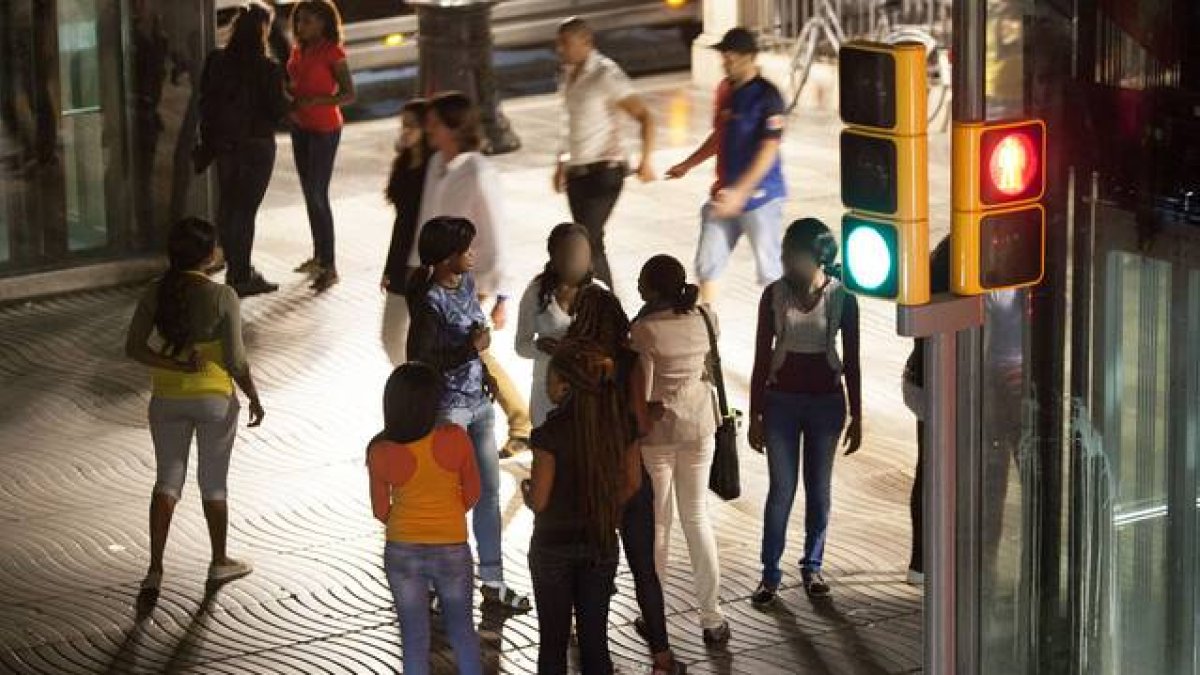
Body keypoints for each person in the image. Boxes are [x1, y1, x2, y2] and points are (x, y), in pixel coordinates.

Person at [124, 217, 265, 593]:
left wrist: (175, 364)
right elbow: (236, 360)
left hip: (167, 398)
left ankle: (154, 568)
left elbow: (134, 347)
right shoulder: (223, 296)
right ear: (207, 255)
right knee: (213, 483)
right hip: (214, 399)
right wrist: (253, 395)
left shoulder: (156, 291)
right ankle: (219, 562)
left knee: (167, 481)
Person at [405, 216, 532, 612]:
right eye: (466, 250)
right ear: (446, 259)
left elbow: (474, 344)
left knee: (489, 494)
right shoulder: (428, 301)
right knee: (446, 499)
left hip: (478, 406)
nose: (473, 255)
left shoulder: (468, 285)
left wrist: (486, 376)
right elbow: (420, 359)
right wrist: (470, 350)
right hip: (449, 413)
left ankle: (492, 582)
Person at [564, 285, 687, 675]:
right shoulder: (628, 361)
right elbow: (636, 423)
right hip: (627, 469)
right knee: (644, 571)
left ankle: (596, 659)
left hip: (586, 475)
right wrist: (650, 412)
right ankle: (662, 658)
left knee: (594, 574)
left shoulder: (571, 361)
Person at [408, 91, 532, 457]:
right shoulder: (437, 166)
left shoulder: (478, 170)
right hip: (439, 276)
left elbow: (495, 232)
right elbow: (425, 220)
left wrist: (501, 296)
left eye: (434, 123)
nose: (428, 129)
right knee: (469, 351)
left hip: (468, 278)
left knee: (471, 350)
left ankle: (520, 421)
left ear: (452, 127)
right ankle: (519, 420)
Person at [748, 218, 862, 604]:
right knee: (781, 490)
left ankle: (812, 566)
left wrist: (858, 414)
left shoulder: (842, 296)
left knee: (819, 490)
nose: (784, 260)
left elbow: (854, 360)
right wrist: (755, 415)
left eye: (791, 253)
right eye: (783, 252)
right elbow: (761, 358)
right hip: (780, 402)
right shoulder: (774, 296)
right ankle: (769, 573)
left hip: (826, 404)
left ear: (816, 257)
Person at [523, 340, 643, 674]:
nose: (546, 385)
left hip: (553, 546)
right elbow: (633, 483)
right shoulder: (620, 425)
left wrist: (528, 492)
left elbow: (542, 500)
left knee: (553, 644)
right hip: (600, 541)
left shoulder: (549, 434)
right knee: (595, 641)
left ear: (563, 385)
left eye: (549, 378)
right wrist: (601, 504)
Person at [630, 255, 730, 645]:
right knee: (697, 518)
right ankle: (712, 616)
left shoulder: (645, 329)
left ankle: (652, 614)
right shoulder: (706, 318)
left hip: (658, 433)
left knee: (658, 524)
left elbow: (646, 387)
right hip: (700, 425)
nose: (637, 287)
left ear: (654, 288)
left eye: (642, 281)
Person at [367, 362, 483, 675]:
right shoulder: (455, 438)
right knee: (462, 631)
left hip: (402, 550)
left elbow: (380, 510)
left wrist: (406, 522)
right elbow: (473, 493)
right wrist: (445, 516)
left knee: (414, 637)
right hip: (451, 548)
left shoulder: (380, 450)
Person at [665, 27, 786, 305]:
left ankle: (783, 331)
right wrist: (688, 164)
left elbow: (768, 150)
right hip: (724, 196)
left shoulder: (768, 97)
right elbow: (720, 135)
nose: (725, 62)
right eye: (724, 57)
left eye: (731, 58)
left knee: (770, 272)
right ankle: (706, 333)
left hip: (761, 198)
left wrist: (741, 193)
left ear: (749, 58)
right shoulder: (726, 91)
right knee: (707, 265)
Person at [552, 17, 656, 289]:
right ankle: (599, 304)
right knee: (591, 241)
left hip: (605, 171)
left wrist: (646, 160)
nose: (560, 50)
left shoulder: (605, 74)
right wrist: (561, 162)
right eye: (559, 44)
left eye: (566, 43)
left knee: (585, 240)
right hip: (577, 172)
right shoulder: (568, 74)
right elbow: (569, 123)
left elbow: (644, 116)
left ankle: (604, 305)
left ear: (586, 42)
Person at [197, 1, 288, 298]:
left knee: (229, 206)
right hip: (256, 147)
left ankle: (238, 269)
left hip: (225, 146)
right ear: (264, 29)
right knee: (246, 211)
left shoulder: (217, 60)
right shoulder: (268, 68)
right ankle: (240, 274)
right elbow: (277, 111)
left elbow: (206, 102)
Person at [288, 0, 355, 293]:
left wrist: (317, 101)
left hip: (325, 128)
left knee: (317, 193)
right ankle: (318, 257)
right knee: (308, 193)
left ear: (324, 23)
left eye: (309, 21)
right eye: (300, 21)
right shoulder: (298, 50)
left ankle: (330, 265)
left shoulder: (333, 52)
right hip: (300, 126)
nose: (302, 27)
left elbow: (349, 94)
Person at [514, 223, 595, 428]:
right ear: (553, 255)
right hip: (546, 389)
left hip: (586, 388)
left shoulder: (598, 293)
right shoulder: (536, 294)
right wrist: (540, 347)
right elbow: (521, 346)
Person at [381, 98, 432, 366]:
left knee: (420, 338)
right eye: (403, 125)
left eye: (412, 125)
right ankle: (410, 382)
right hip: (402, 261)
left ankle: (421, 390)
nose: (405, 131)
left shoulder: (433, 170)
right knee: (390, 336)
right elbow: (401, 224)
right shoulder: (403, 165)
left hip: (425, 265)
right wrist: (389, 268)